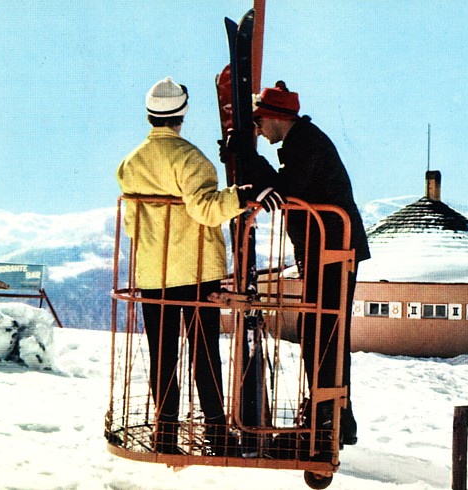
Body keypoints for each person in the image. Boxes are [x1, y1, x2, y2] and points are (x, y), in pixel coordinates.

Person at [220, 81, 370, 448]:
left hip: (333, 251)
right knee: (318, 328)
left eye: (258, 122)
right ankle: (333, 412)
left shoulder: (304, 143)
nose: (257, 129)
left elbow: (285, 190)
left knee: (324, 331)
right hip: (327, 250)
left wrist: (248, 158)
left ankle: (331, 415)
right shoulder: (301, 141)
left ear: (274, 118)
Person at [117, 77, 245, 455]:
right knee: (205, 355)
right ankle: (218, 435)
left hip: (153, 275)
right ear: (182, 114)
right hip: (196, 272)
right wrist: (241, 197)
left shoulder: (130, 164)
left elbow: (130, 224)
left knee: (162, 356)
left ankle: (165, 433)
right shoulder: (192, 159)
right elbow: (205, 209)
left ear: (149, 115)